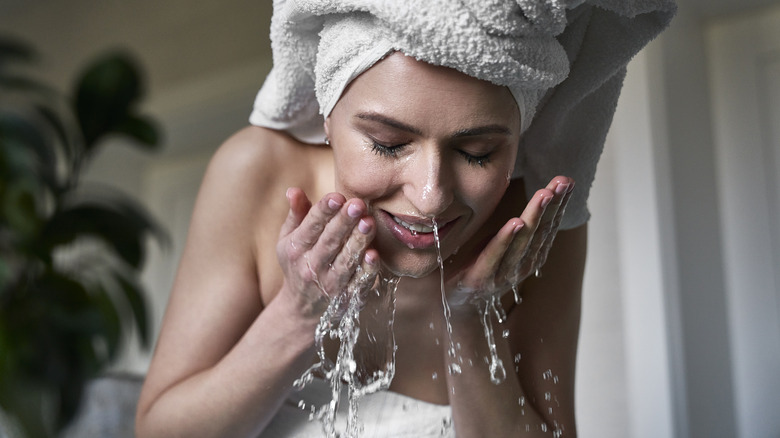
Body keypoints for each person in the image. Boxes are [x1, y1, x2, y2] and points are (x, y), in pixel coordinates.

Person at [135, 1, 675, 437]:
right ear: (328, 112)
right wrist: (299, 314)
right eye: (389, 145)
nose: (432, 195)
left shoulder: (529, 223)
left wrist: (471, 320)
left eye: (479, 153)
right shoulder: (256, 175)